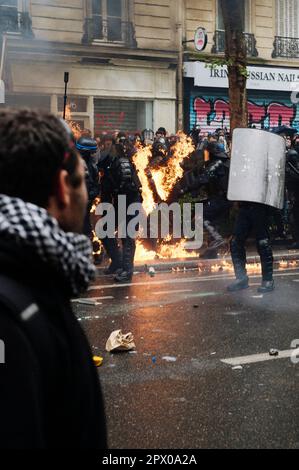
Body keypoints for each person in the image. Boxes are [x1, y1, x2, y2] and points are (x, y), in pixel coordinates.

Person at [0, 109, 107, 449]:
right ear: (63, 189)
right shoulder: (10, 315)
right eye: (83, 181)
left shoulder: (32, 275)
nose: (86, 196)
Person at [98, 138, 143, 283]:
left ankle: (127, 271)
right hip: (121, 202)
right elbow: (106, 196)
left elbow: (129, 189)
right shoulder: (108, 172)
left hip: (131, 201)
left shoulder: (121, 167)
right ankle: (117, 261)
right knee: (104, 229)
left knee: (127, 235)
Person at [75, 136, 100, 238]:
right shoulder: (73, 164)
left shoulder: (92, 167)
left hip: (84, 205)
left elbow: (96, 186)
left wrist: (90, 196)